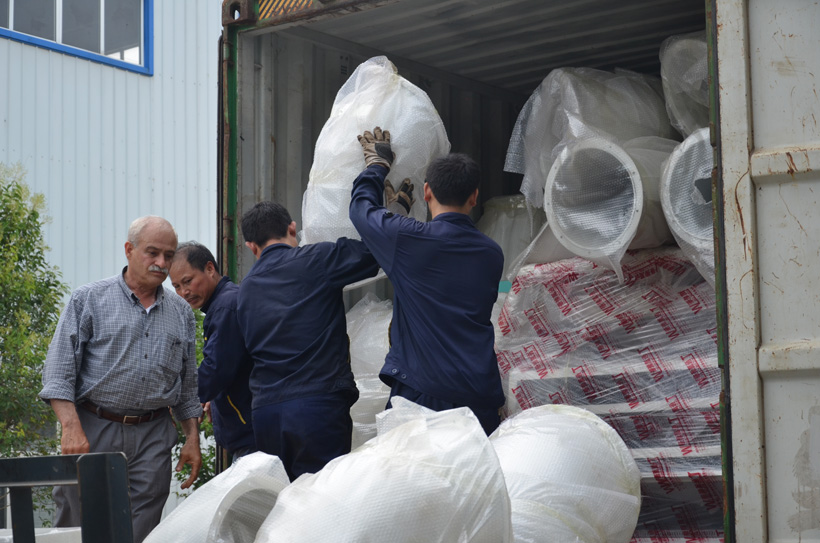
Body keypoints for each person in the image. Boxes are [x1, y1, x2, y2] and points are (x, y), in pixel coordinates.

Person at [39, 216, 202, 543]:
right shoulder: (89, 300)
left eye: (168, 256)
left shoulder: (181, 313)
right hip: (94, 427)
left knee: (142, 526)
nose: (161, 263)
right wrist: (71, 426)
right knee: (78, 520)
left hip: (154, 433)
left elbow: (187, 386)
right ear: (129, 250)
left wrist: (192, 437)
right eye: (152, 253)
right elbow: (59, 370)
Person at [349, 127, 505, 435]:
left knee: (414, 481)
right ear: (474, 197)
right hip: (478, 397)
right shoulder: (492, 254)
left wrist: (376, 167)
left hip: (421, 395)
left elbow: (361, 210)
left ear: (427, 192)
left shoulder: (406, 240)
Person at [237, 201, 379, 480]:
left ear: (250, 246)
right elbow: (374, 251)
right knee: (318, 503)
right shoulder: (317, 260)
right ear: (292, 228)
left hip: (266, 414)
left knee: (282, 503)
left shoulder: (245, 290)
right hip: (316, 408)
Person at [169, 241, 256, 461]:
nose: (184, 292)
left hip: (251, 436)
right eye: (177, 286)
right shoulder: (224, 303)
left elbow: (216, 369)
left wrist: (177, 401)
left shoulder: (226, 306)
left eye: (188, 281)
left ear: (210, 269)